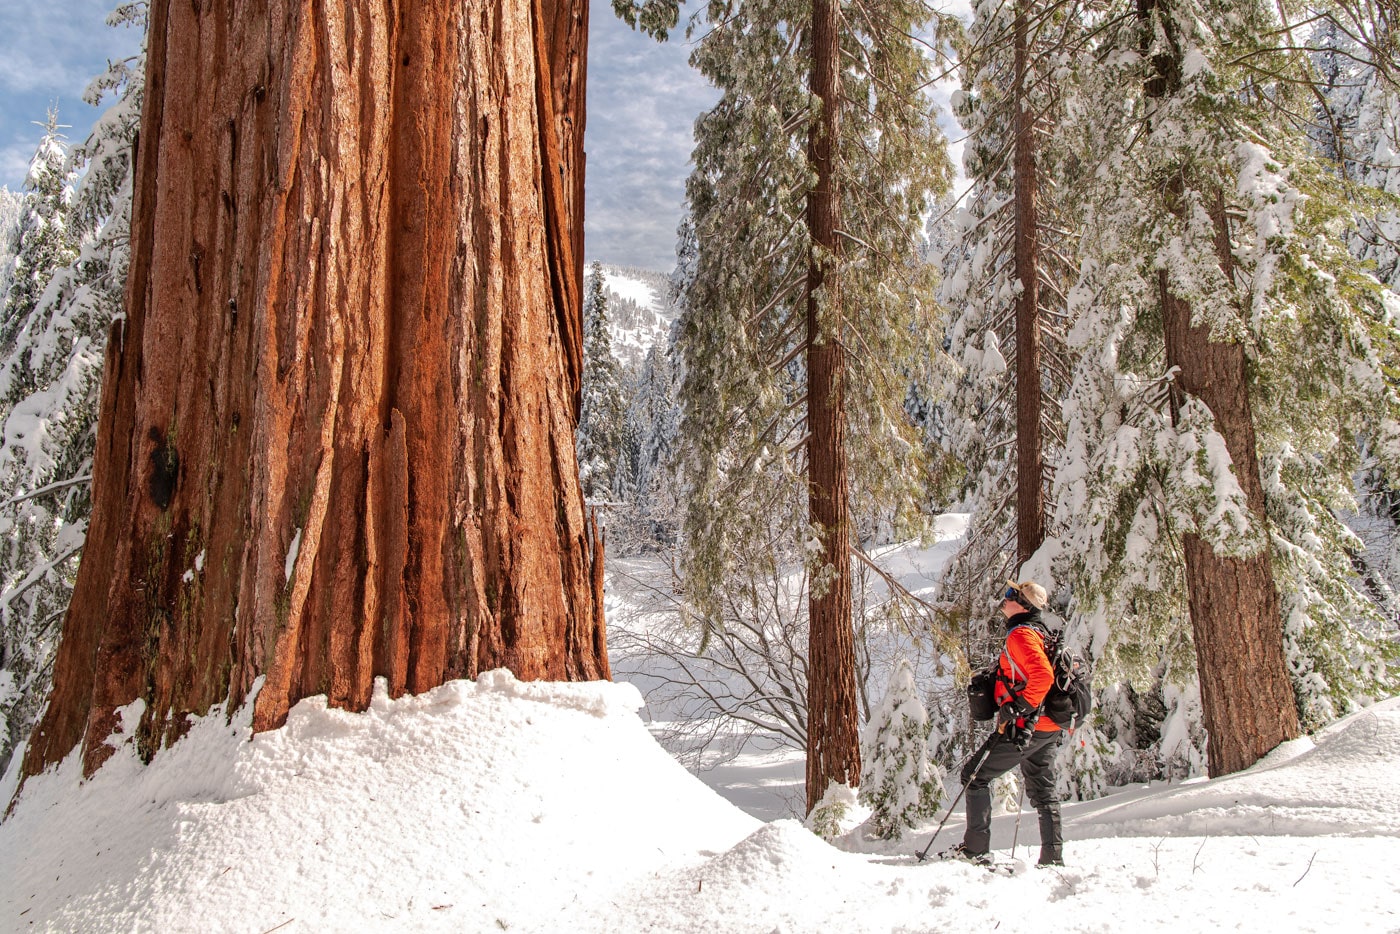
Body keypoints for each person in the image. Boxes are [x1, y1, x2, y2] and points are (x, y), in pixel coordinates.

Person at [943, 579, 1064, 867]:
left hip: (1026, 726)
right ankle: (1052, 858)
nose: (1005, 598)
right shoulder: (1040, 632)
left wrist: (1020, 707)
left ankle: (975, 851)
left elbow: (1043, 677)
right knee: (1043, 790)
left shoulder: (1021, 635)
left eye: (1011, 595)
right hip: (1046, 727)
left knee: (975, 776)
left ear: (1024, 606)